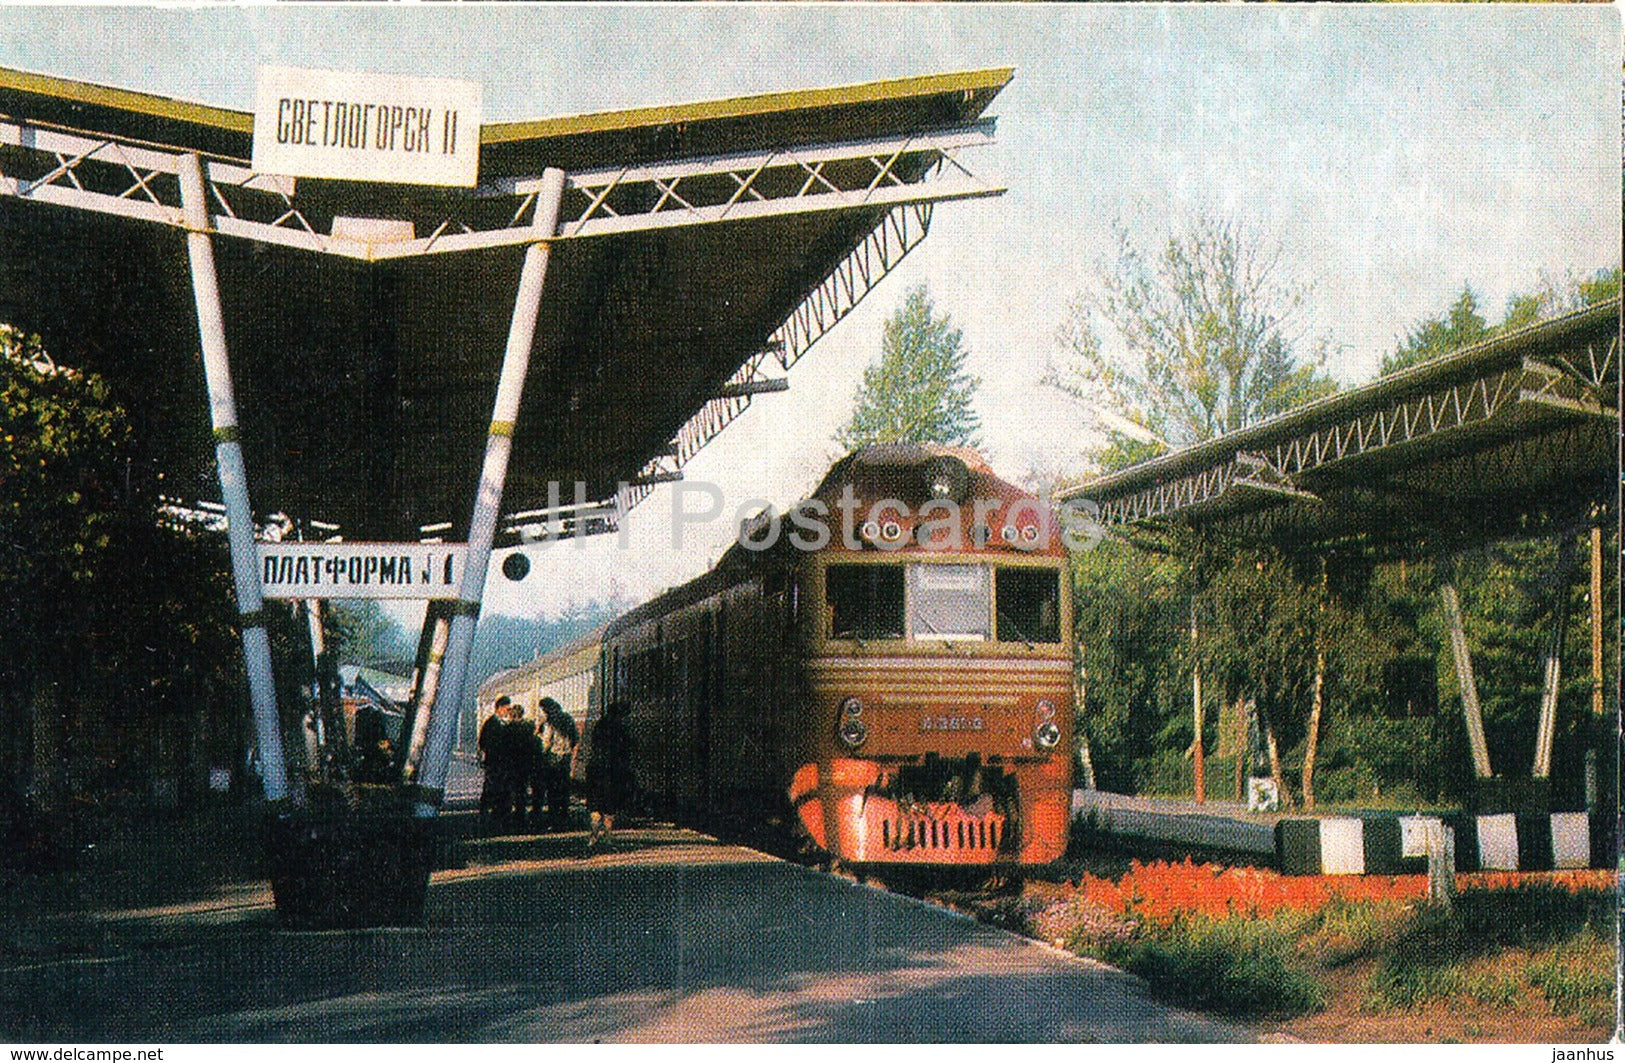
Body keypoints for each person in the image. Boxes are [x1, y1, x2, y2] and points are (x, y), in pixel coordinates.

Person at [584, 700, 634, 851]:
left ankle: (593, 836)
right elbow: (627, 749)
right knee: (610, 806)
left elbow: (594, 745)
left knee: (595, 804)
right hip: (613, 770)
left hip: (596, 768)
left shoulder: (599, 725)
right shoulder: (621, 729)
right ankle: (607, 838)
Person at [534, 697, 578, 831]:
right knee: (564, 790)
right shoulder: (568, 719)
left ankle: (554, 820)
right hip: (565, 759)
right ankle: (564, 818)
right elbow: (575, 738)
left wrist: (537, 736)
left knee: (553, 791)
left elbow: (546, 743)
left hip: (552, 760)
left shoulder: (549, 722)